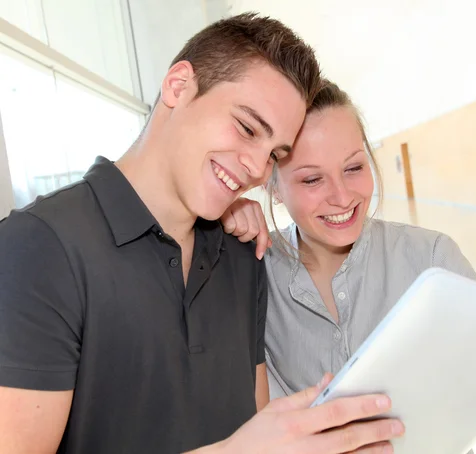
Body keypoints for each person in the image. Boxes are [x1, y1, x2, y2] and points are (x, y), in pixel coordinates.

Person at [0, 15, 405, 454]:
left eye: (274, 154)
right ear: (178, 86)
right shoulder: (38, 247)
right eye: (248, 128)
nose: (255, 166)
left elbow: (256, 429)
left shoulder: (242, 253)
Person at [221, 80, 476, 452]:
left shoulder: (431, 258)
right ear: (272, 185)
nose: (342, 196)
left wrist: (459, 399)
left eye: (353, 167)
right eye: (312, 178)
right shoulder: (253, 273)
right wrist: (219, 219)